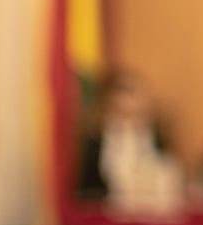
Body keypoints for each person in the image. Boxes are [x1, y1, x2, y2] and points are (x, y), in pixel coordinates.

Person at [75, 68, 182, 211]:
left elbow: (170, 180)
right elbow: (88, 194)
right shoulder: (95, 142)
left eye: (132, 94)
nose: (127, 104)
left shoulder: (158, 138)